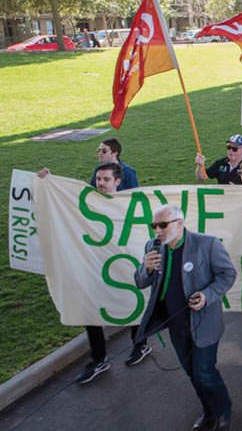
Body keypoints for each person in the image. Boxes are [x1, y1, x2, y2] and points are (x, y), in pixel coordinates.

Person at [38, 163, 151, 384]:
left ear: (118, 181)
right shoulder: (86, 202)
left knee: (132, 302)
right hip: (93, 266)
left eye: (106, 179)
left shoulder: (129, 203)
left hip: (123, 264)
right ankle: (99, 358)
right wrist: (47, 181)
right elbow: (61, 204)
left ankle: (140, 344)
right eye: (98, 179)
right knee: (90, 308)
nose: (100, 183)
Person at [134, 205, 236, 430]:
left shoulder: (207, 244)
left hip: (204, 323)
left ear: (179, 223)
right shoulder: (153, 247)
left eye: (163, 225)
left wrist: (206, 295)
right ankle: (209, 411)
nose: (157, 230)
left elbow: (228, 274)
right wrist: (147, 269)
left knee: (204, 372)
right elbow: (140, 281)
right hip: (175, 324)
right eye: (154, 226)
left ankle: (223, 411)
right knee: (192, 372)